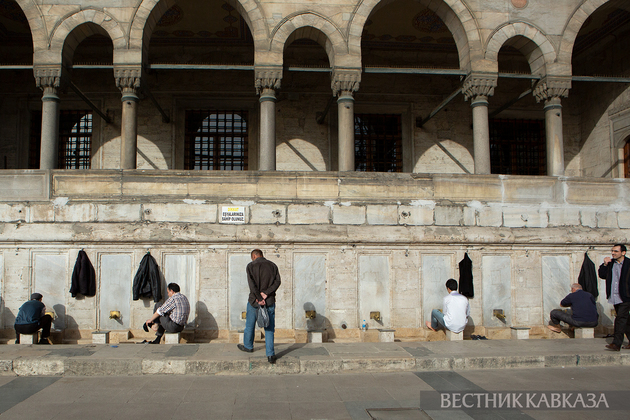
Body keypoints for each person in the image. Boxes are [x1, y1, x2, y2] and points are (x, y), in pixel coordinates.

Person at [237, 249, 281, 364]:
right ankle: (270, 355)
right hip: (269, 300)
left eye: (252, 257)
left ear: (254, 256)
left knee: (250, 324)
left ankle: (248, 346)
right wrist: (266, 293)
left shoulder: (251, 266)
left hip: (254, 301)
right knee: (269, 327)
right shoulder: (273, 266)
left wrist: (259, 298)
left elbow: (252, 285)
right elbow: (277, 282)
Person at [598, 244, 630, 351]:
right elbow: (602, 275)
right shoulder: (611, 264)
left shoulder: (629, 264)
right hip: (615, 297)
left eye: (616, 251)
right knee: (626, 321)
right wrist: (604, 265)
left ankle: (616, 344)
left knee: (620, 319)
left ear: (623, 252)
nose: (613, 253)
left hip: (626, 297)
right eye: (612, 251)